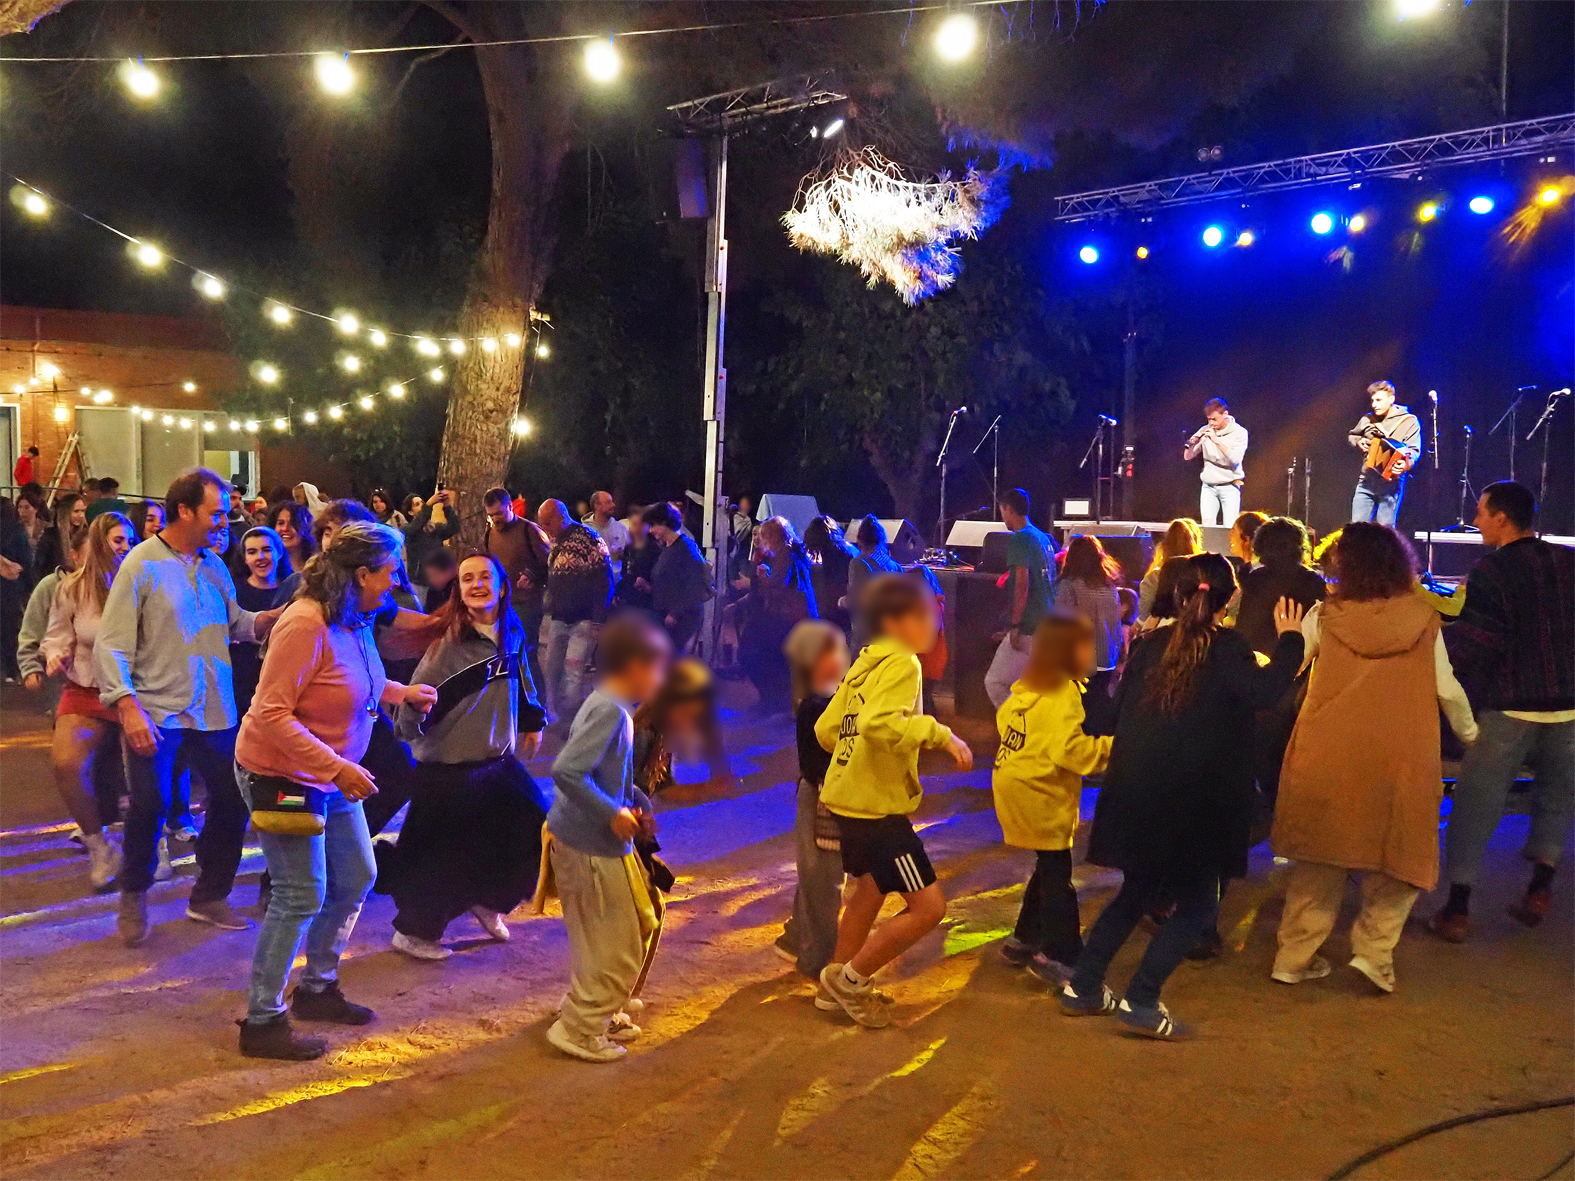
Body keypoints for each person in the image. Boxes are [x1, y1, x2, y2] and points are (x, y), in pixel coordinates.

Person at [1059, 554, 1305, 1039]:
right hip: (1195, 803)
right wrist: (1293, 641)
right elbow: (1265, 693)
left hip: (1138, 793)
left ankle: (1084, 987)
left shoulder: (1149, 647)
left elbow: (1109, 717)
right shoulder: (1228, 648)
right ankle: (1143, 999)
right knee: (1197, 907)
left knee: (1135, 894)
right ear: (1228, 598)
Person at [233, 522, 436, 1060]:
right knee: (301, 893)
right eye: (390, 570)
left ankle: (317, 988)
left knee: (358, 875)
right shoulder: (304, 622)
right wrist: (336, 766)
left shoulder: (354, 616)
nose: (397, 580)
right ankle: (263, 1020)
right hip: (281, 774)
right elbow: (270, 712)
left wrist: (401, 692)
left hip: (329, 770)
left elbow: (351, 680)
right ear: (362, 573)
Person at [1269, 523, 1477, 993]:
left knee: (1320, 856)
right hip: (1401, 753)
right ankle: (1375, 954)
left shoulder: (1325, 615)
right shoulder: (1424, 617)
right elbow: (1446, 687)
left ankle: (1293, 957)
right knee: (1397, 855)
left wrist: (1279, 643)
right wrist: (1470, 733)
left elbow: (1290, 668)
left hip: (1328, 749)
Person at [96, 469, 282, 946]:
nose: (225, 519)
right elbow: (111, 646)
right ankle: (133, 892)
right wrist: (127, 708)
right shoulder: (141, 565)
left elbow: (237, 624)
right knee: (150, 806)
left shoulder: (215, 566)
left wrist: (273, 619)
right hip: (156, 712)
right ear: (185, 511)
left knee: (234, 798)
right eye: (216, 512)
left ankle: (208, 895)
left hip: (215, 711)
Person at [815, 576, 972, 1028]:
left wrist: (857, 746)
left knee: (868, 890)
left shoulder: (866, 662)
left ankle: (832, 986)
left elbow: (827, 731)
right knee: (929, 908)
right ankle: (853, 980)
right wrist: (939, 734)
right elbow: (879, 724)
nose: (936, 626)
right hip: (877, 809)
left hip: (847, 799)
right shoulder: (903, 664)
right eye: (928, 617)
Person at [377, 553, 548, 958]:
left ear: (502, 585)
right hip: (448, 769)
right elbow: (413, 702)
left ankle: (488, 900)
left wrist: (532, 719)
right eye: (467, 578)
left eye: (484, 576)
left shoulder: (511, 629)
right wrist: (412, 721)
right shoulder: (449, 642)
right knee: (442, 856)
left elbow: (522, 676)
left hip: (497, 763)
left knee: (535, 831)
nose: (476, 584)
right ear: (459, 590)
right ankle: (414, 932)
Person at [1432, 481, 1574, 942]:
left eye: (1480, 513)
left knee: (1476, 804)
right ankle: (1540, 886)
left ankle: (1456, 909)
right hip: (1569, 708)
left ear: (1502, 518)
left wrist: (1442, 651)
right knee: (1556, 798)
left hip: (1511, 707)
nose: (1475, 522)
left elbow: (1480, 642)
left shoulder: (1491, 570)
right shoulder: (1569, 562)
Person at [542, 612, 671, 1062]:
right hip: (588, 847)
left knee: (612, 934)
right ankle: (579, 1027)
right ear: (634, 666)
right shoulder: (611, 713)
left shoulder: (613, 709)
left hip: (591, 843)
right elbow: (566, 771)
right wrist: (612, 812)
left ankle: (596, 1009)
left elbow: (611, 777)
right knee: (617, 948)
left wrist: (639, 805)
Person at [994, 612, 1114, 984]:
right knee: (1058, 877)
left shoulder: (1028, 689)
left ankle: (1024, 938)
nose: (1094, 651)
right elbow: (1071, 752)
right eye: (1087, 645)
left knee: (1047, 866)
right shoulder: (1063, 694)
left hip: (1013, 786)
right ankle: (1061, 955)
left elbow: (1007, 724)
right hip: (1041, 794)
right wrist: (1116, 748)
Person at [41, 512, 136, 889]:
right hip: (86, 687)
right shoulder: (72, 589)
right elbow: (56, 635)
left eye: (130, 541)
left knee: (145, 774)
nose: (126, 548)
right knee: (65, 763)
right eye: (118, 540)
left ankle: (153, 842)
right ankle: (99, 845)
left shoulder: (141, 584)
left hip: (135, 691)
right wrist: (54, 655)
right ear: (98, 543)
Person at [772, 620, 851, 980]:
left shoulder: (835, 697)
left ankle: (793, 937)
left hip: (824, 794)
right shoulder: (817, 706)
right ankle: (818, 958)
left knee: (818, 875)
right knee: (825, 881)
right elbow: (821, 765)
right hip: (820, 797)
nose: (838, 659)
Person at [537, 498, 615, 727]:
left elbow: (605, 580)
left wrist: (598, 620)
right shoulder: (556, 540)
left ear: (561, 517)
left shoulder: (588, 539)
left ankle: (571, 720)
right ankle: (556, 713)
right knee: (551, 668)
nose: (545, 529)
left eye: (548, 523)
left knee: (573, 673)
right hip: (560, 617)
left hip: (583, 618)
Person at [983, 488, 1060, 709]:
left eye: (1002, 510)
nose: (1002, 516)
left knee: (995, 682)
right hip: (1047, 624)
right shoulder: (1042, 537)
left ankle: (1019, 726)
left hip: (1029, 627)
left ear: (1007, 509)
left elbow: (1021, 585)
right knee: (1035, 688)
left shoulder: (1020, 539)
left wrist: (1015, 625)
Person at [736, 515, 818, 712]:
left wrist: (763, 576)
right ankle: (776, 702)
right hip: (796, 619)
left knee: (753, 655)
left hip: (787, 620)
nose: (762, 541)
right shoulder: (794, 553)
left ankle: (772, 702)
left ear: (773, 537)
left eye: (765, 536)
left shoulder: (783, 557)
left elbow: (779, 586)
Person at [1048, 535, 1126, 731]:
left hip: (1078, 664)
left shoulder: (1068, 586)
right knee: (1097, 714)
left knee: (1075, 718)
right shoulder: (1109, 588)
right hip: (1106, 660)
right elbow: (1116, 626)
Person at [482, 486, 551, 688]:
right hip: (501, 602)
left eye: (499, 513)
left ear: (510, 506)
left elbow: (550, 564)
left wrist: (532, 575)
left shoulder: (530, 531)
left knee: (526, 652)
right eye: (491, 515)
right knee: (504, 651)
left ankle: (538, 700)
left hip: (526, 604)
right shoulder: (490, 534)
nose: (496, 519)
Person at [1236, 517, 1326, 656]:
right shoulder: (1313, 580)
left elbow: (1244, 627)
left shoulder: (1255, 578)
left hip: (1258, 660)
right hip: (1299, 659)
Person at [231, 526, 294, 715]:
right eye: (252, 552)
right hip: (241, 681)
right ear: (245, 558)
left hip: (281, 680)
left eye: (266, 550)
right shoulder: (234, 591)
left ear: (279, 552)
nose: (260, 557)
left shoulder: (293, 591)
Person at [1348, 380, 1421, 526]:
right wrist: (1359, 441)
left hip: (1391, 483)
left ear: (1391, 399)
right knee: (1356, 529)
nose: (1374, 404)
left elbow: (1414, 450)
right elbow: (1352, 435)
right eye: (1373, 400)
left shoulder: (1408, 421)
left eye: (1379, 400)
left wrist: (1405, 465)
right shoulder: (1368, 419)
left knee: (1385, 531)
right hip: (1367, 480)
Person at [647, 502, 710, 653]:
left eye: (653, 525)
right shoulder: (668, 548)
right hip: (666, 614)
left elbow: (695, 583)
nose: (651, 530)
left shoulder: (685, 548)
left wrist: (676, 612)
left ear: (664, 523)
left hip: (680, 618)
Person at [1184, 397, 1250, 526]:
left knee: (1230, 527)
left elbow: (1235, 459)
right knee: (1208, 528)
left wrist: (1216, 441)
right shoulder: (1205, 430)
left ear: (1225, 414)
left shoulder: (1240, 433)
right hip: (1208, 487)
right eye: (1209, 419)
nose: (1211, 423)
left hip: (1230, 485)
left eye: (1214, 419)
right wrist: (1192, 443)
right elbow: (1188, 456)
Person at [846, 515, 903, 652]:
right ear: (882, 540)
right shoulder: (895, 566)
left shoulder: (858, 563)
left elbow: (857, 600)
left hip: (867, 635)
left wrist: (842, 601)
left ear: (860, 540)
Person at [1137, 518, 1202, 623]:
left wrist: (1138, 624)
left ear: (1164, 546)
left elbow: (1145, 613)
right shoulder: (1204, 573)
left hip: (1163, 633)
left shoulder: (1154, 577)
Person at [804, 516, 857, 633]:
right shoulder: (848, 549)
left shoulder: (833, 553)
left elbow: (831, 586)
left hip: (836, 613)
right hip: (846, 611)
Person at [403, 488, 459, 584]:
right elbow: (416, 526)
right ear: (410, 512)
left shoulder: (435, 528)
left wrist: (447, 506)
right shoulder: (408, 530)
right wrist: (428, 505)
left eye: (422, 502)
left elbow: (454, 527)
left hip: (439, 579)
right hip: (419, 581)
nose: (422, 505)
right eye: (417, 504)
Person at [616, 506, 658, 612]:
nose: (636, 528)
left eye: (639, 524)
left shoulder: (655, 549)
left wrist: (647, 585)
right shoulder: (629, 547)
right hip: (628, 601)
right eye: (633, 524)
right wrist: (617, 592)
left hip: (646, 604)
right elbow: (625, 573)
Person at [33, 495, 83, 578]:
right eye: (76, 511)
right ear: (65, 512)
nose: (80, 515)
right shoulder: (51, 536)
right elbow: (38, 567)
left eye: (83, 511)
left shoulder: (85, 535)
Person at [583, 491, 630, 565]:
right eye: (608, 502)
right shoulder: (585, 531)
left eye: (612, 502)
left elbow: (629, 553)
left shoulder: (621, 528)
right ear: (597, 506)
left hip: (619, 575)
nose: (613, 505)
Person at [270, 501, 315, 572]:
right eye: (280, 523)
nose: (285, 528)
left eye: (292, 523)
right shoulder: (268, 568)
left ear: (306, 528)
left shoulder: (317, 567)